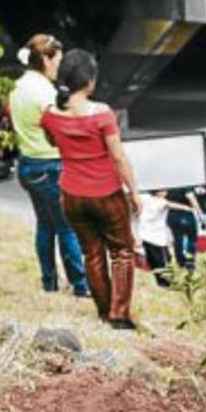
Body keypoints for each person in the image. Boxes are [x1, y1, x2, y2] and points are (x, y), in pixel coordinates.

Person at [41, 49, 141, 330]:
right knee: (121, 252)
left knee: (92, 253)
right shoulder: (102, 114)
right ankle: (119, 315)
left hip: (71, 195)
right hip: (106, 193)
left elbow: (52, 142)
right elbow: (119, 157)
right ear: (88, 81)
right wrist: (134, 192)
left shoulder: (49, 115)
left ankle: (103, 313)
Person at [9, 34, 90, 297]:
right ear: (45, 58)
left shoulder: (18, 86)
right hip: (50, 165)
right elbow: (59, 127)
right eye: (58, 60)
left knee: (45, 226)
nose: (61, 66)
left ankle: (49, 283)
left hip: (28, 164)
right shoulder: (44, 91)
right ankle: (81, 286)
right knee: (68, 227)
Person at [134, 191, 176, 288]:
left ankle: (162, 281)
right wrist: (189, 208)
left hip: (146, 235)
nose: (166, 192)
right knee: (163, 260)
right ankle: (167, 282)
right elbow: (171, 205)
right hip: (157, 237)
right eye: (164, 190)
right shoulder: (161, 202)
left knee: (155, 261)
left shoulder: (145, 198)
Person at [165, 185, 206, 270]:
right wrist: (200, 214)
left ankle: (180, 263)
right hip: (185, 213)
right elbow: (190, 196)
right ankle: (190, 262)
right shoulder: (185, 182)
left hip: (172, 214)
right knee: (192, 238)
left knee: (177, 240)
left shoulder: (168, 182)